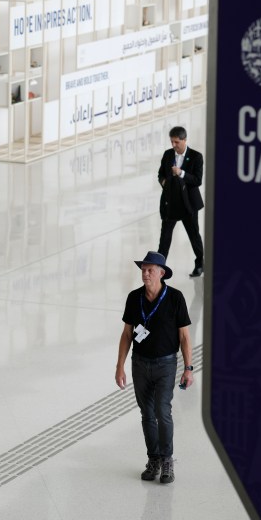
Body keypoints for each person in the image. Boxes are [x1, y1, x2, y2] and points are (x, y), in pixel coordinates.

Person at [115, 252, 194, 484]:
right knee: (147, 414)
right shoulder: (134, 298)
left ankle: (167, 459)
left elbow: (185, 337)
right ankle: (154, 459)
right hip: (140, 364)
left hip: (166, 364)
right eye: (143, 269)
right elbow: (127, 334)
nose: (145, 273)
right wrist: (120, 365)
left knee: (163, 411)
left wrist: (188, 367)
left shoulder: (175, 298)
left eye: (150, 270)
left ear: (162, 273)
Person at [157, 126, 205, 277]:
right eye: (172, 141)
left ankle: (200, 263)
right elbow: (160, 174)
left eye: (176, 142)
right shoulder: (167, 154)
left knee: (194, 236)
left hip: (188, 204)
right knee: (165, 237)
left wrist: (181, 173)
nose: (173, 145)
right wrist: (164, 182)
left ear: (184, 140)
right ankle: (159, 267)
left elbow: (197, 180)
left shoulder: (196, 156)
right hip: (170, 203)